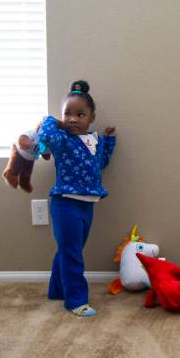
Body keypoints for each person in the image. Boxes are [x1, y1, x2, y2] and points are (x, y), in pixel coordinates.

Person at [38, 80, 116, 317]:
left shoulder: (93, 140)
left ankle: (57, 289)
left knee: (69, 249)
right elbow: (47, 137)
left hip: (88, 203)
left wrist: (109, 141)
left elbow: (100, 164)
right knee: (72, 253)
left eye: (80, 114)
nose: (73, 119)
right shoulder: (62, 140)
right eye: (68, 114)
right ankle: (76, 300)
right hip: (65, 202)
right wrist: (53, 121)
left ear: (91, 117)